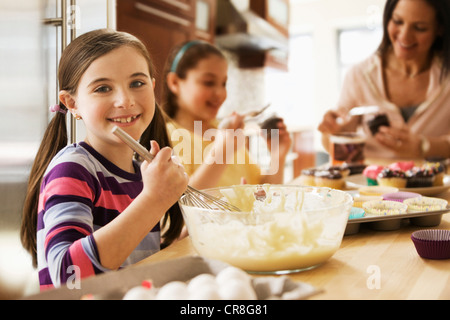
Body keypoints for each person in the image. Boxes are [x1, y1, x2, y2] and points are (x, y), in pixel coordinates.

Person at [20, 29, 189, 290]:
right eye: (102, 88)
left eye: (137, 83)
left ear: (153, 87)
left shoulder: (140, 173)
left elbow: (129, 263)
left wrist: (175, 242)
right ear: (72, 103)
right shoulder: (73, 169)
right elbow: (69, 278)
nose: (125, 100)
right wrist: (154, 201)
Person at [318, 0, 450, 161]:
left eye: (419, 28)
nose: (405, 36)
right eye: (397, 21)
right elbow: (337, 147)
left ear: (440, 29)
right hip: (371, 184)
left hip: (439, 184)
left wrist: (425, 146)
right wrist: (333, 132)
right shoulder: (359, 75)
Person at [161, 40, 292, 189]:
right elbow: (183, 200)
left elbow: (261, 193)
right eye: (208, 82)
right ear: (174, 82)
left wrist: (277, 156)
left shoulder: (226, 133)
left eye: (223, 84)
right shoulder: (166, 137)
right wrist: (224, 150)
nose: (220, 93)